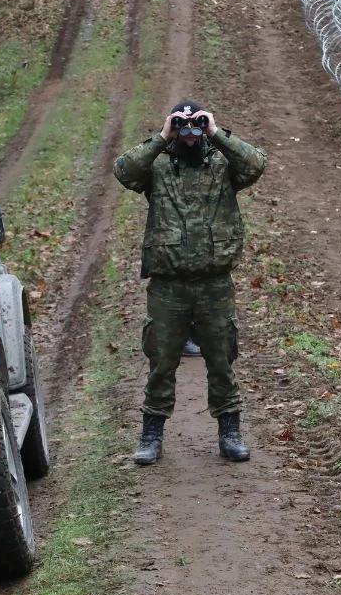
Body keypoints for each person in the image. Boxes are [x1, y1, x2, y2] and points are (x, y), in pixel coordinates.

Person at [114, 100, 267, 465]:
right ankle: (151, 435)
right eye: (182, 126)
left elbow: (256, 164)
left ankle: (230, 432)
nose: (189, 132)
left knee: (221, 358)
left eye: (194, 125)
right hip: (169, 285)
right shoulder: (159, 166)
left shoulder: (222, 164)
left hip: (215, 282)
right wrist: (162, 135)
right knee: (161, 361)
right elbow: (124, 171)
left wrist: (216, 131)